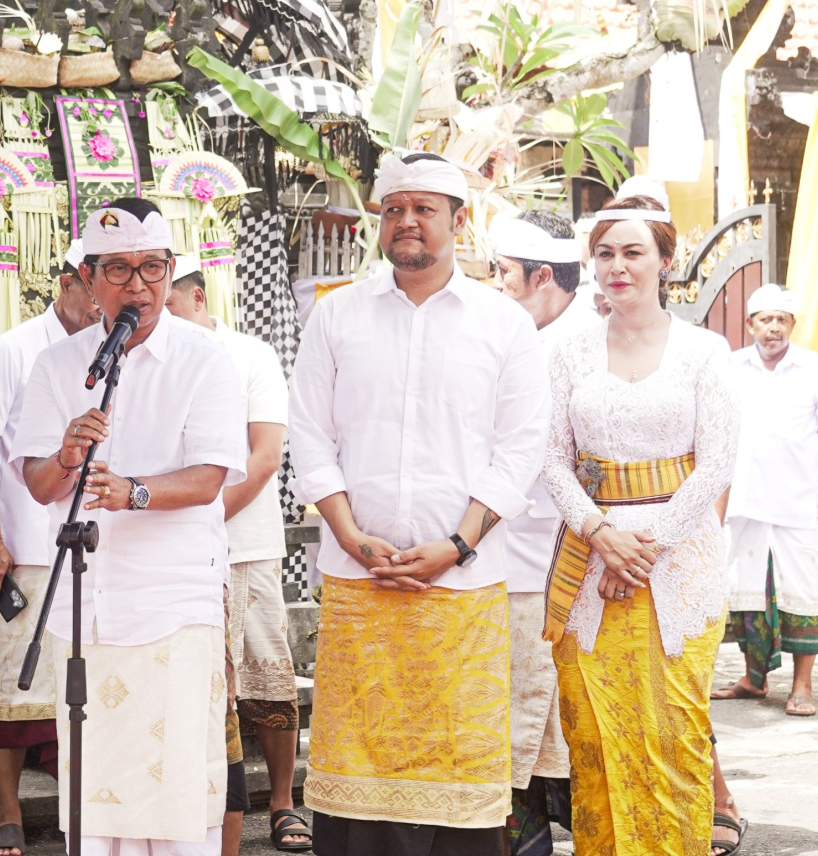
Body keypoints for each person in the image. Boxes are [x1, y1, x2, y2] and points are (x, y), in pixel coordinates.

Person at [289, 153, 551, 856]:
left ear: (457, 221)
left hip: (462, 590)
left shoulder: (504, 324)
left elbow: (521, 449)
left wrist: (458, 545)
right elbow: (309, 435)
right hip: (358, 583)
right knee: (358, 799)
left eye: (424, 208)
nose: (407, 221)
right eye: (394, 207)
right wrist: (348, 534)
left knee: (459, 791)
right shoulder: (335, 314)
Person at [12, 198, 246, 856]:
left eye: (151, 268)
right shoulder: (59, 367)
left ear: (171, 275)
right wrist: (64, 457)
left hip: (173, 605)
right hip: (85, 611)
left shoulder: (204, 358)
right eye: (119, 269)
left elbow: (209, 477)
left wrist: (133, 492)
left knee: (173, 796)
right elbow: (37, 485)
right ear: (89, 279)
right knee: (96, 801)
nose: (137, 285)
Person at [541, 194, 738, 856]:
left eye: (632, 252)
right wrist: (601, 534)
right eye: (605, 253)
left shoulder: (706, 352)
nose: (617, 266)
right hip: (590, 562)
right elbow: (551, 456)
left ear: (665, 259)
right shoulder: (567, 353)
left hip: (677, 566)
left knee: (672, 732)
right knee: (594, 738)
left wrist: (645, 549)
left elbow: (716, 464)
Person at [165, 261, 309, 851]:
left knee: (266, 668)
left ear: (198, 298)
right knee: (192, 676)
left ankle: (281, 801)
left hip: (242, 541)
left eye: (169, 306)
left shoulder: (251, 356)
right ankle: (191, 802)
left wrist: (204, 515)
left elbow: (266, 453)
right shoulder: (159, 361)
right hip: (170, 546)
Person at [0, 240, 103, 856]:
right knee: (15, 683)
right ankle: (9, 810)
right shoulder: (14, 349)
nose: (102, 297)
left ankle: (89, 808)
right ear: (67, 282)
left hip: (98, 549)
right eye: (93, 281)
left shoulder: (113, 348)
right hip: (27, 543)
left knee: (91, 687)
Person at [491, 212, 598, 856]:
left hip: (562, 559)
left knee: (537, 711)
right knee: (530, 712)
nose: (494, 284)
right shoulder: (529, 335)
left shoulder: (580, 344)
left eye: (503, 273)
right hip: (521, 552)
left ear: (540, 277)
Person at [714, 283, 818, 716]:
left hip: (796, 502)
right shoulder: (730, 367)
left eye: (781, 319)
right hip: (746, 502)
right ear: (750, 323)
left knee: (800, 591)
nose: (773, 328)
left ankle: (802, 685)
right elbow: (715, 436)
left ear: (792, 324)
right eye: (764, 319)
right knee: (748, 591)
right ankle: (754, 679)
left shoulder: (815, 369)